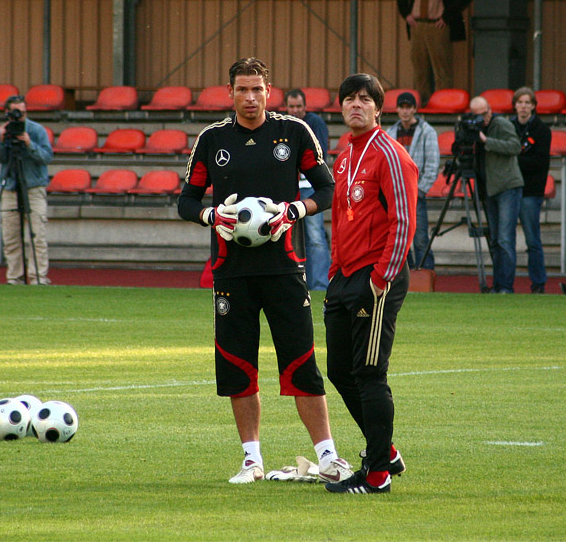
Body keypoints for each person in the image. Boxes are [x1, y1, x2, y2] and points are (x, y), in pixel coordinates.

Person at [177, 58, 352, 485]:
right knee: (239, 366)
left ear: (268, 91)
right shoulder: (212, 139)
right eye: (242, 90)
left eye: (257, 89)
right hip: (231, 273)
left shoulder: (293, 132)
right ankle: (251, 461)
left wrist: (295, 209)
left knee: (302, 361)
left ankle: (327, 457)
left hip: (284, 269)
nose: (250, 98)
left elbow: (328, 189)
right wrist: (211, 217)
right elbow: (187, 201)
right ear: (230, 93)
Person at [324, 74, 418, 494]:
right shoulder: (345, 156)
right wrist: (333, 272)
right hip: (343, 276)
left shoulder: (392, 155)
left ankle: (378, 474)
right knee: (339, 369)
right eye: (349, 99)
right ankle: (387, 450)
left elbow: (404, 221)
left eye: (365, 99)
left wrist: (382, 277)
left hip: (377, 277)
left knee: (368, 372)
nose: (356, 105)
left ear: (379, 108)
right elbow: (340, 220)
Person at [0, 95, 53, 285]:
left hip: (33, 187)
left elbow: (47, 157)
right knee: (11, 236)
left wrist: (29, 144)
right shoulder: (2, 132)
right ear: (7, 112)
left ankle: (38, 277)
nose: (19, 117)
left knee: (37, 235)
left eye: (23, 113)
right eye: (16, 113)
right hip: (10, 187)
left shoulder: (36, 130)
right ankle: (14, 277)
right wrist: (1, 140)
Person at [397, 0, 472, 103]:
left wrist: (447, 17)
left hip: (437, 25)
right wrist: (406, 14)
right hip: (417, 25)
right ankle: (421, 105)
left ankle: (443, 103)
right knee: (419, 69)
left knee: (441, 70)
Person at [465, 96, 523, 294]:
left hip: (506, 186)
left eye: (483, 114)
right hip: (489, 188)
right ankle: (498, 285)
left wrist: (486, 140)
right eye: (475, 115)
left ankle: (506, 286)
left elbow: (515, 146)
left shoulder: (502, 124)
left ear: (489, 111)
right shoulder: (473, 127)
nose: (480, 119)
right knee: (496, 239)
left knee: (505, 239)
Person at [384, 91, 440, 270]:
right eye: (402, 107)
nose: (405, 111)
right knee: (400, 238)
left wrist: (420, 190)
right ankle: (404, 279)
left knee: (420, 238)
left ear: (415, 109)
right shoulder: (390, 132)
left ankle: (426, 276)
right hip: (396, 194)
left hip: (416, 194)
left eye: (409, 107)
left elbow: (432, 164)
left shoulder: (427, 131)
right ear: (398, 109)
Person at [285, 88, 331, 291]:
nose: (295, 110)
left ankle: (320, 285)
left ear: (305, 107)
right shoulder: (283, 124)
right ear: (286, 107)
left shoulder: (315, 123)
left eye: (298, 107)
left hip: (309, 188)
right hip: (288, 188)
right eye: (291, 107)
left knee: (315, 237)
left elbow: (320, 155)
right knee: (288, 236)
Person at [510, 87, 551, 294]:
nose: (523, 106)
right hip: (509, 189)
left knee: (532, 239)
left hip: (530, 191)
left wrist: (514, 159)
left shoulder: (542, 130)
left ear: (533, 106)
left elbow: (540, 161)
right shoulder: (508, 126)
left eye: (527, 103)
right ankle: (505, 284)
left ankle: (538, 282)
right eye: (520, 102)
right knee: (505, 239)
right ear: (515, 105)